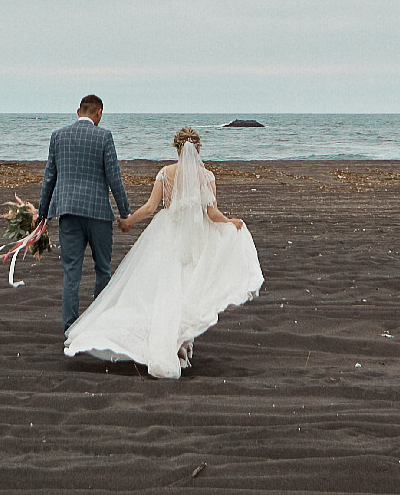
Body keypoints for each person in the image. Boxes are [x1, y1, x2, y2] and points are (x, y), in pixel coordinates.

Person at [63, 125, 263, 378]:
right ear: (197, 148)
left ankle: (168, 343)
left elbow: (150, 207)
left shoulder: (166, 173)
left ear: (176, 148)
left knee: (159, 290)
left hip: (166, 234)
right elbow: (212, 213)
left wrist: (128, 221)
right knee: (188, 289)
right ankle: (181, 345)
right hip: (195, 236)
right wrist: (230, 222)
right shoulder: (207, 176)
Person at [37, 94, 131, 332]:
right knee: (103, 269)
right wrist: (125, 213)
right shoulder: (104, 137)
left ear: (78, 112)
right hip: (98, 212)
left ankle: (70, 329)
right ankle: (99, 324)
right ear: (98, 113)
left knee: (71, 273)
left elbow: (49, 178)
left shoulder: (58, 136)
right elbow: (114, 178)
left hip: (67, 211)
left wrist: (43, 214)